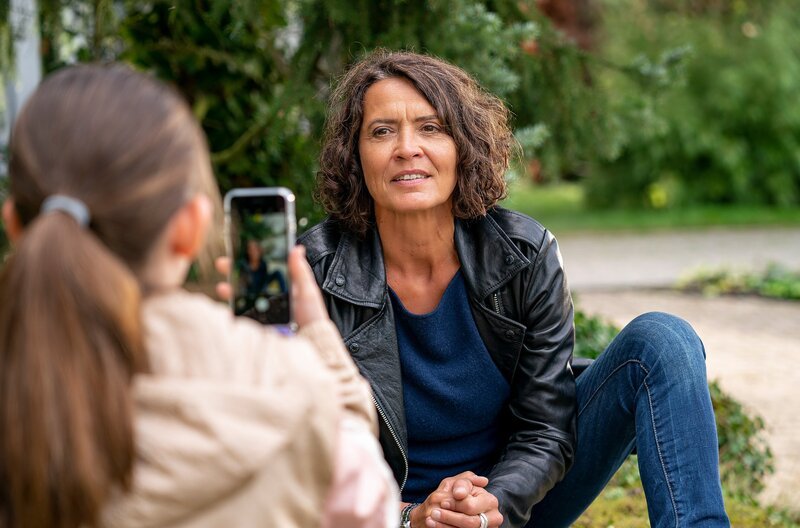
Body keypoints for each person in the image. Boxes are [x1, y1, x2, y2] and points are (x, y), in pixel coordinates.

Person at [298, 49, 731, 528]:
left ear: (462, 144)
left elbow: (546, 427)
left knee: (662, 341)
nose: (406, 148)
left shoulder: (523, 254)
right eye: (382, 131)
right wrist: (408, 517)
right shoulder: (313, 273)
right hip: (379, 515)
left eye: (431, 127)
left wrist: (494, 505)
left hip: (516, 505)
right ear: (355, 155)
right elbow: (297, 450)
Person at [0, 64, 397, 528]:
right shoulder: (288, 382)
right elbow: (370, 506)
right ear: (189, 229)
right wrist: (322, 348)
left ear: (15, 226)